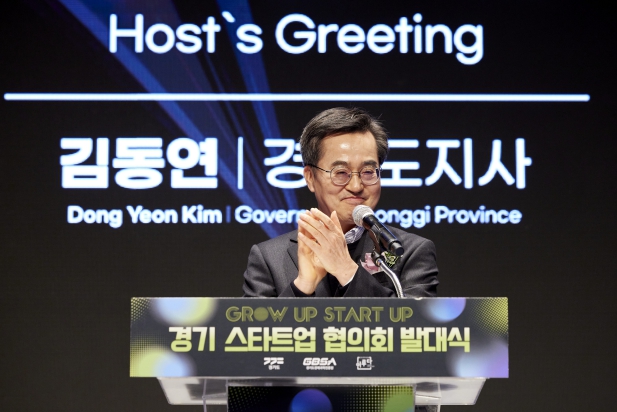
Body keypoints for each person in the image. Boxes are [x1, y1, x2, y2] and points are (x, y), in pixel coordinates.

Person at [242, 107, 438, 297]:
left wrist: (346, 270)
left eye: (368, 172)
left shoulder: (411, 252)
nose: (356, 185)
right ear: (310, 177)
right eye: (341, 172)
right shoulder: (269, 258)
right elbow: (254, 322)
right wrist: (302, 287)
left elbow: (415, 320)